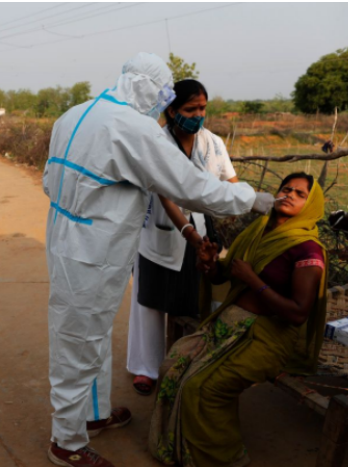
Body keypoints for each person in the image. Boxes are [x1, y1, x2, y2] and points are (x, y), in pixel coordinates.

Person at [43, 52, 274, 467]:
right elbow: (189, 187)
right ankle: (66, 442)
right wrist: (250, 198)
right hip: (93, 249)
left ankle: (90, 415)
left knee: (89, 332)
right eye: (162, 92)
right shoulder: (132, 128)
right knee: (77, 340)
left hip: (67, 237)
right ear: (146, 86)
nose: (161, 101)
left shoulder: (76, 113)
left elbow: (49, 179)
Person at [149, 173, 327, 467]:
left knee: (204, 388)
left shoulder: (307, 249)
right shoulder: (257, 230)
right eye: (286, 188)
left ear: (311, 205)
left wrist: (254, 281)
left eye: (300, 193)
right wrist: (208, 263)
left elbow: (298, 313)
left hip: (267, 335)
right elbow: (225, 274)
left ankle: (225, 459)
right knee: (172, 366)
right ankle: (179, 447)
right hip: (229, 322)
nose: (290, 194)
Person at [126, 79, 239, 396]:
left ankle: (185, 362)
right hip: (159, 230)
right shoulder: (156, 144)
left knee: (192, 300)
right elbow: (166, 196)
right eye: (191, 109)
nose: (198, 115)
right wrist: (190, 233)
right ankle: (145, 368)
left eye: (203, 108)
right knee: (149, 301)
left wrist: (236, 203)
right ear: (172, 110)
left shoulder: (213, 143)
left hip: (202, 234)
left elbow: (230, 182)